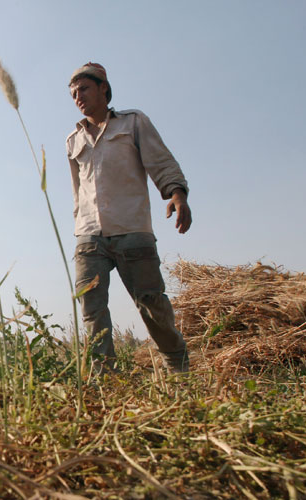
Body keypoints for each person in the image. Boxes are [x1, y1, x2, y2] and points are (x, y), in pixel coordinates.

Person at [66, 62, 191, 373]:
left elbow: (160, 161)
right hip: (89, 236)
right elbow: (76, 189)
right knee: (92, 310)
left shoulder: (133, 123)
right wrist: (79, 224)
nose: (78, 96)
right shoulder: (73, 140)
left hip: (132, 228)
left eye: (84, 89)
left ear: (103, 89)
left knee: (151, 304)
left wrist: (177, 194)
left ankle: (177, 366)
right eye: (73, 93)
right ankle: (105, 379)